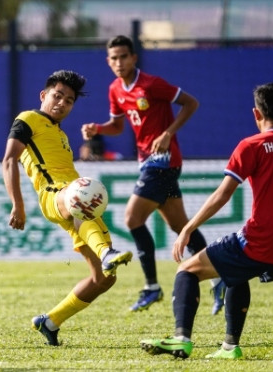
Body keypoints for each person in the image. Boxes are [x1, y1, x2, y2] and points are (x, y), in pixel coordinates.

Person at [140, 82, 273, 359]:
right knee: (236, 272)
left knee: (187, 269)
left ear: (255, 114)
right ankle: (230, 347)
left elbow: (223, 193)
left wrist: (188, 228)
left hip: (259, 243)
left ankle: (181, 339)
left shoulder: (251, 145)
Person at [82, 35, 225, 314]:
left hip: (163, 160)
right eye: (114, 58)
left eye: (124, 56)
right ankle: (219, 278)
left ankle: (151, 287)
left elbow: (191, 103)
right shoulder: (115, 89)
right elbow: (118, 126)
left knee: (132, 218)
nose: (119, 62)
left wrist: (168, 133)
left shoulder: (152, 84)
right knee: (180, 225)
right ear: (108, 61)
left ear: (134, 58)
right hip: (147, 161)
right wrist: (97, 129)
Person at [3, 69, 133, 346]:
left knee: (103, 279)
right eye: (57, 96)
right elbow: (8, 160)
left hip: (72, 197)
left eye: (69, 100)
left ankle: (49, 321)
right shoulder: (28, 119)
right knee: (82, 200)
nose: (62, 103)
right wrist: (18, 204)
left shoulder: (60, 133)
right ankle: (107, 251)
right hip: (55, 196)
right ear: (43, 95)